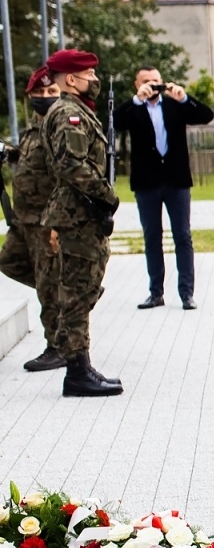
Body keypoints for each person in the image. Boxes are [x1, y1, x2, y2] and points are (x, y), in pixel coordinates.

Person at [39, 48, 123, 397]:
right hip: (77, 215)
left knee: (84, 287)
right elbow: (72, 165)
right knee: (76, 292)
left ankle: (78, 362)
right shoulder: (68, 114)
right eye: (89, 75)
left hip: (83, 215)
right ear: (71, 79)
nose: (95, 80)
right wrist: (106, 195)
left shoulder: (76, 110)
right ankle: (77, 370)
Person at [116, 66, 214, 311]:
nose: (152, 85)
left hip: (176, 181)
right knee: (152, 237)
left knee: (182, 236)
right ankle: (156, 293)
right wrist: (136, 100)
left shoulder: (174, 106)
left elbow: (206, 115)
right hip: (146, 183)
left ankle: (187, 294)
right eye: (146, 81)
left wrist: (184, 98)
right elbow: (115, 121)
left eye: (156, 80)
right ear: (137, 84)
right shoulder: (134, 109)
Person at [0, 68, 66, 372]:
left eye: (51, 92)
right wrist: (9, 154)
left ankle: (58, 346)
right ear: (30, 95)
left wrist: (56, 222)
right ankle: (69, 289)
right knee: (9, 261)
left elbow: (63, 175)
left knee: (48, 284)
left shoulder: (59, 127)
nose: (44, 97)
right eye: (39, 93)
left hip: (44, 220)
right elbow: (30, 160)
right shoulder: (32, 129)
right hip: (23, 218)